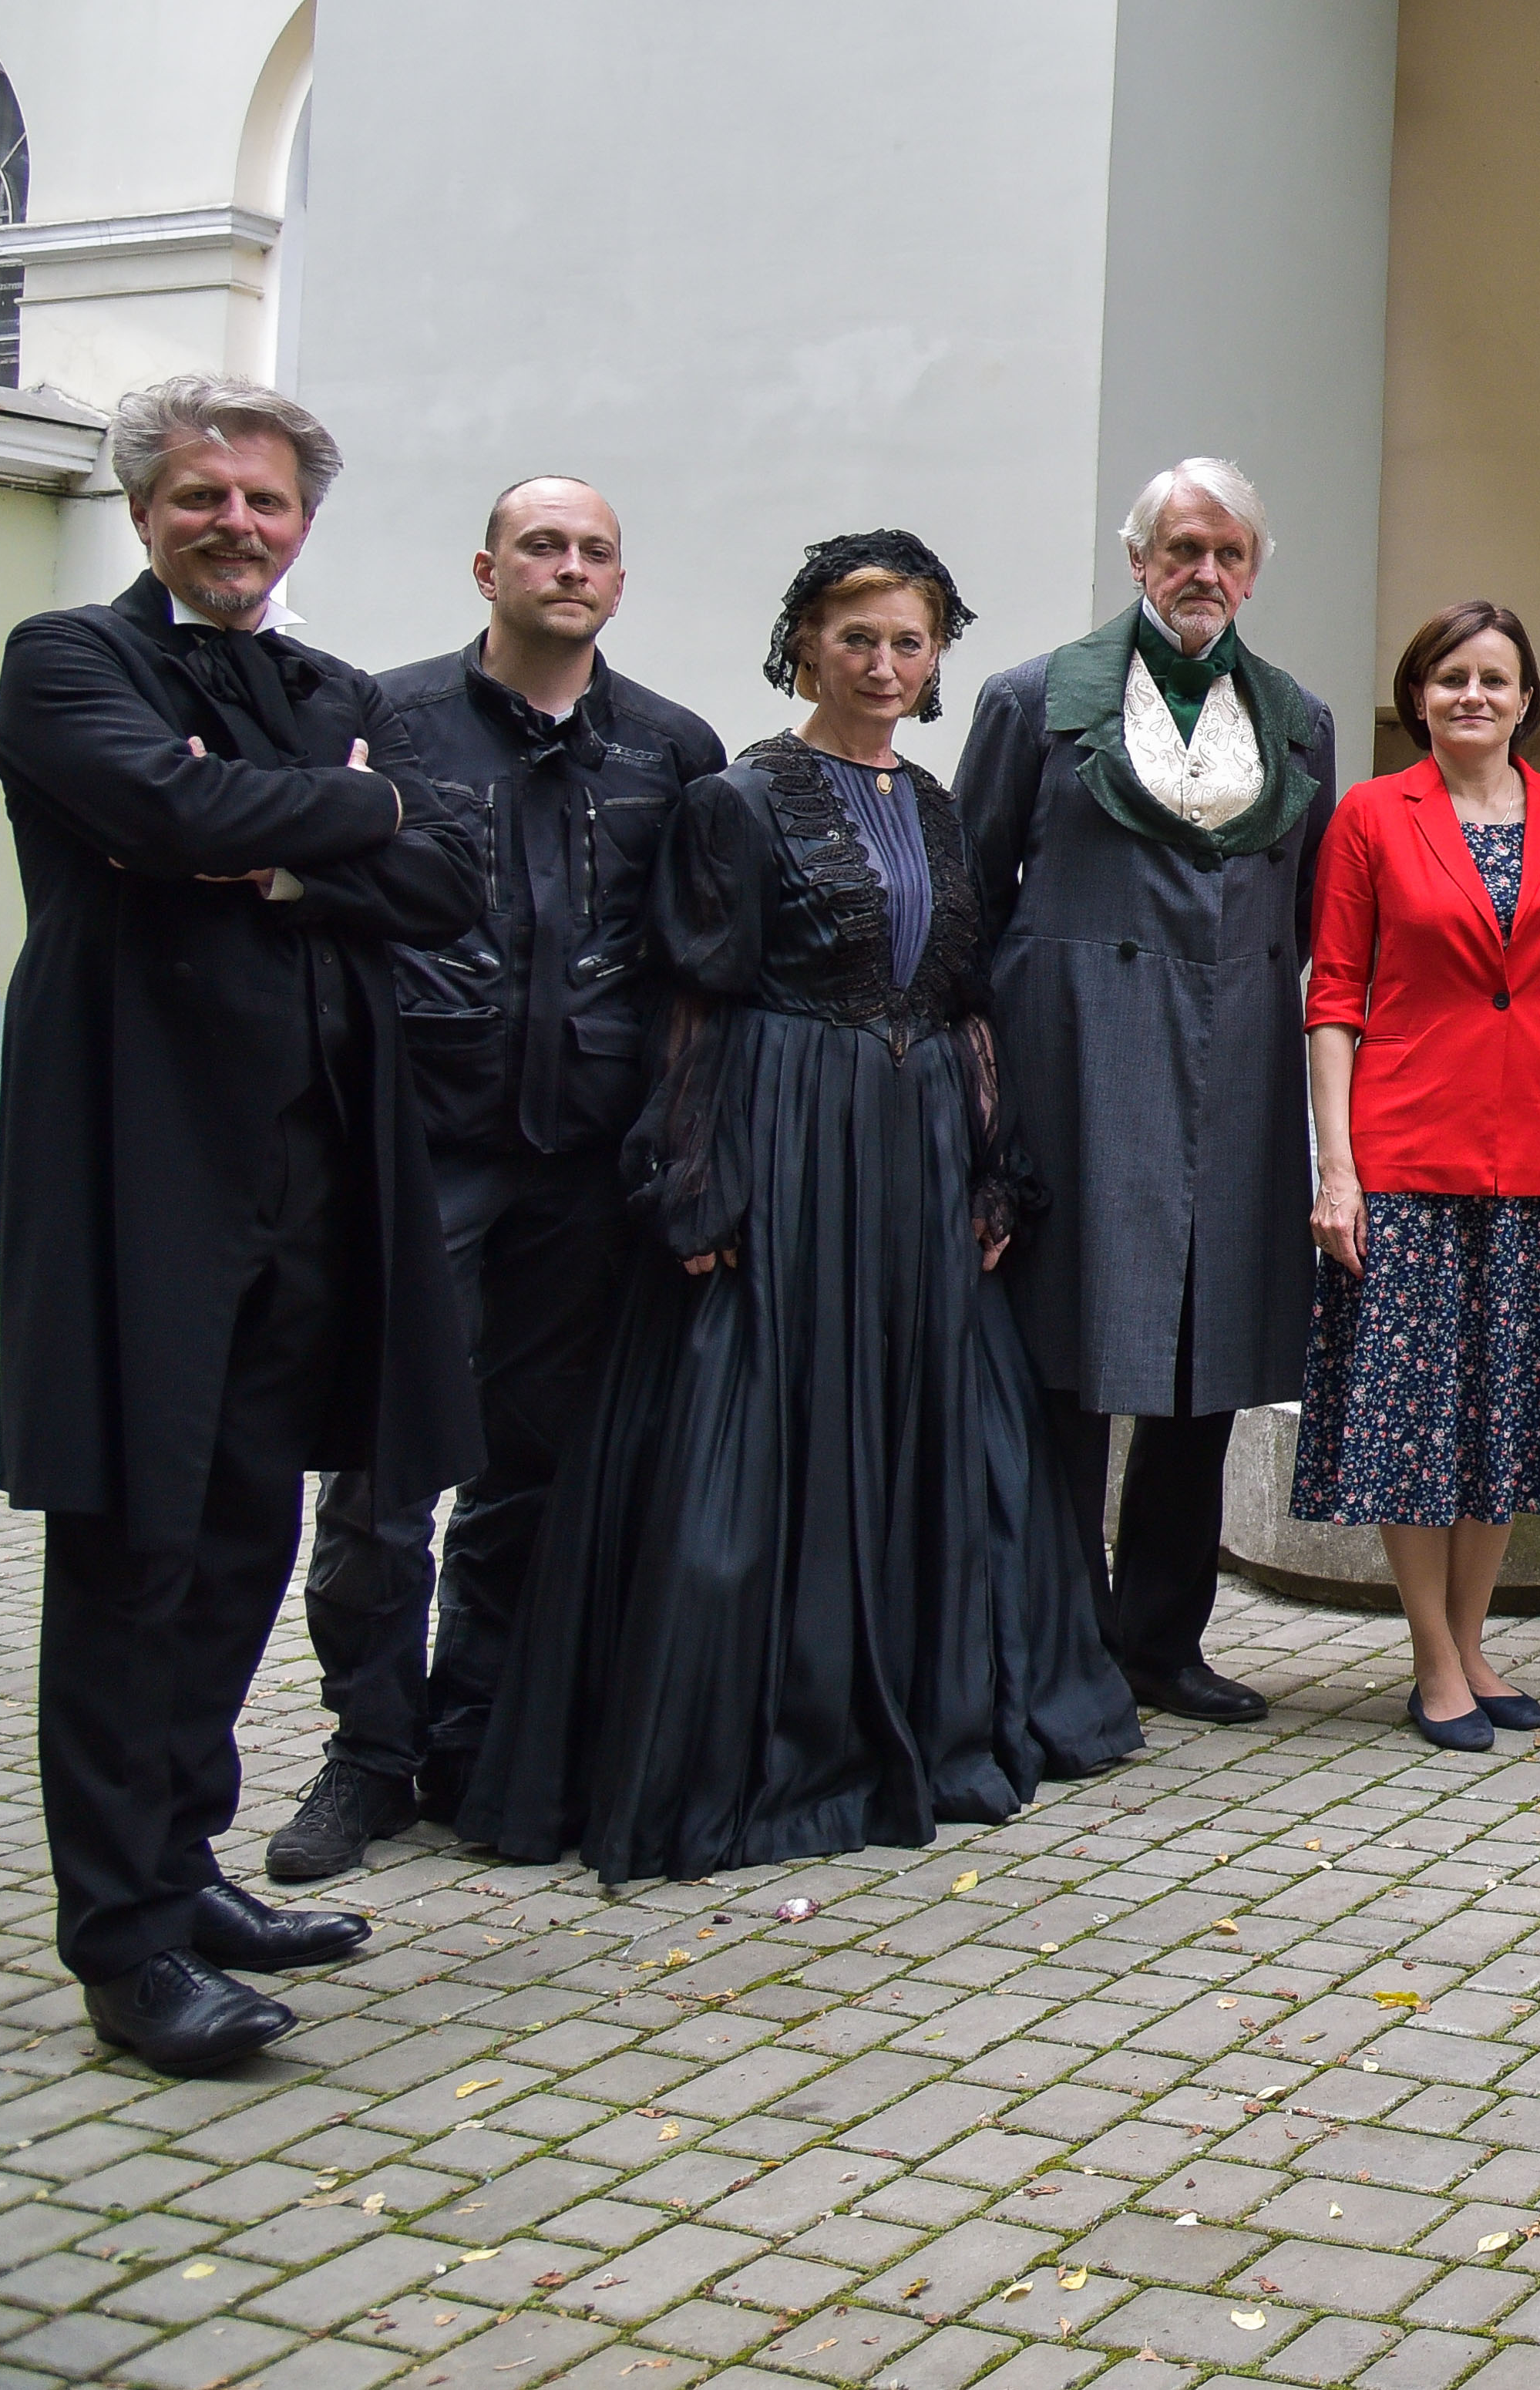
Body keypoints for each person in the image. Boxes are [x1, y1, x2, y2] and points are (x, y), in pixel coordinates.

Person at [462, 534, 1138, 1881]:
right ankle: (773, 1733)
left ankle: (933, 1711)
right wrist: (693, 1180)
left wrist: (992, 1165)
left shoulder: (938, 804)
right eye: (857, 639)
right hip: (786, 1129)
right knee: (756, 1424)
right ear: (806, 648)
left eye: (908, 642)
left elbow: (964, 997)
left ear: (936, 658)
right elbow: (695, 999)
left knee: (940, 1428)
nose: (883, 665)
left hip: (918, 1143)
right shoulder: (737, 797)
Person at [0, 376, 483, 2075]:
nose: (236, 523)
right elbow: (160, 812)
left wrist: (280, 839)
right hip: (145, 1161)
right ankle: (122, 1940)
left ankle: (186, 1864)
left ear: (303, 521)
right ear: (146, 509)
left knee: (245, 1530)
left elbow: (445, 877)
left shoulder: (335, 692)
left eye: (266, 500)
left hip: (318, 1172)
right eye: (203, 495)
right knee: (134, 1545)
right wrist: (339, 817)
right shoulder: (67, 658)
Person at [264, 478, 724, 1884]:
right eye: (542, 545)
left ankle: (478, 1732)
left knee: (536, 1465)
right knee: (382, 1466)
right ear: (487, 568)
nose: (568, 567)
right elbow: (329, 913)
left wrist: (681, 1148)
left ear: (620, 581)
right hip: (423, 1149)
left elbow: (687, 966)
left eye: (594, 550)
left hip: (586, 1165)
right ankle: (368, 1748)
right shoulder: (389, 720)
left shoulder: (671, 747)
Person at [959, 458, 1337, 1727]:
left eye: (1229, 552)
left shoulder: (1298, 721)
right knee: (1066, 1362)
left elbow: (1312, 917)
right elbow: (969, 902)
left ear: (1254, 570)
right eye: (1182, 549)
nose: (1204, 572)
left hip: (1234, 1072)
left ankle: (1162, 1640)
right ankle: (1060, 1642)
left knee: (1206, 1361)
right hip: (1072, 1066)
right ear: (1138, 561)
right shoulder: (1032, 700)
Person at [1298, 601, 1540, 1749]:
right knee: (1414, 1418)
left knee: (1504, 1412)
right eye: (1451, 678)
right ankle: (1433, 1659)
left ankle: (1474, 1636)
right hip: (1406, 1151)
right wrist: (1337, 1167)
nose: (1473, 697)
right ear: (1419, 697)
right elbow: (1334, 996)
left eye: (1495, 678)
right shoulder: (1369, 814)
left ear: (1527, 698)